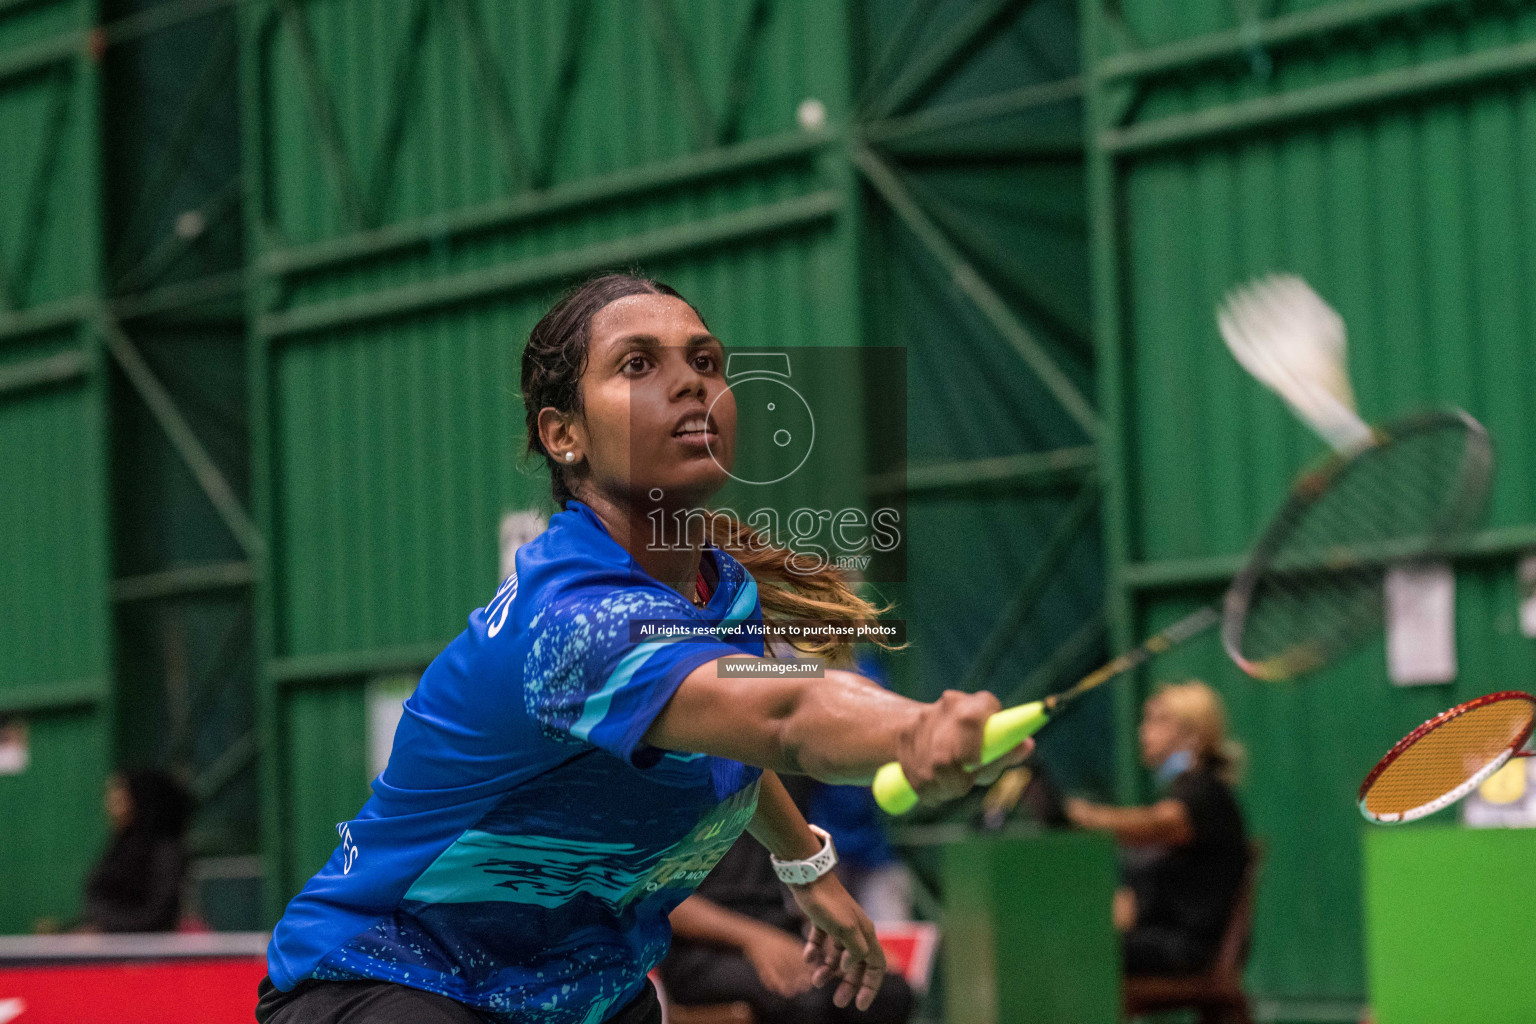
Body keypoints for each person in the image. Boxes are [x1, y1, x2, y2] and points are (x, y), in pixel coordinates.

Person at [256, 273, 1030, 1024]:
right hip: (391, 974)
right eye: (637, 364)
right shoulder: (575, 620)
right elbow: (784, 714)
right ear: (565, 436)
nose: (692, 383)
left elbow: (730, 742)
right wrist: (912, 729)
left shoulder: (722, 594)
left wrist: (807, 868)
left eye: (706, 361)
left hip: (582, 991)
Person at [658, 777, 914, 1024]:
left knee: (889, 993)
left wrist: (834, 939)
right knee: (807, 1004)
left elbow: (796, 875)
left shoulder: (779, 775)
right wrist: (756, 940)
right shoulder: (670, 769)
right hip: (699, 949)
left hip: (780, 929)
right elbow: (657, 898)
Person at [1064, 681, 1248, 976]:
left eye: (1160, 719)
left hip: (1186, 949)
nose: (1144, 730)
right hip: (1153, 939)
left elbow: (1152, 825)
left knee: (1073, 946)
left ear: (1194, 733)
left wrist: (1080, 815)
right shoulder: (1181, 791)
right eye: (1145, 719)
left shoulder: (1205, 794)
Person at [78, 769, 194, 933]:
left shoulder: (164, 852)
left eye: (120, 800)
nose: (110, 805)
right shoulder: (119, 846)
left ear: (138, 800)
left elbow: (157, 915)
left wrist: (105, 931)